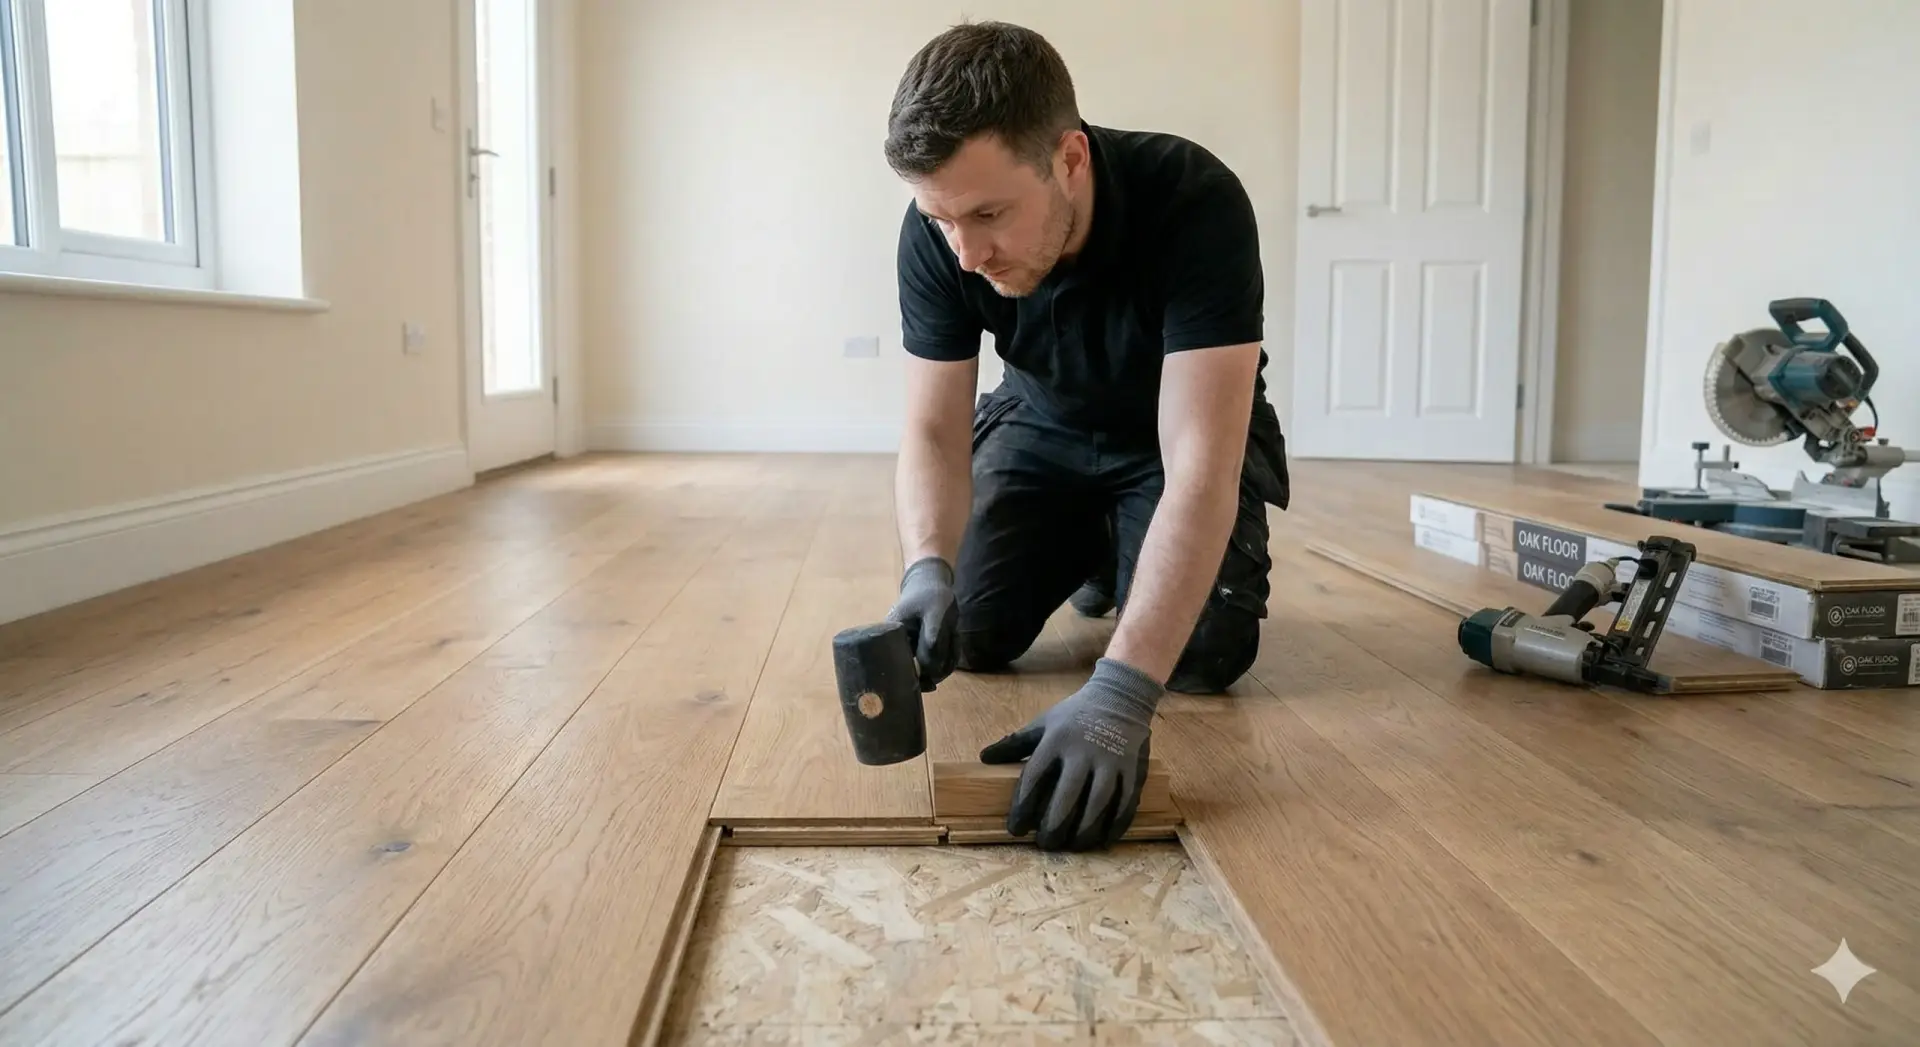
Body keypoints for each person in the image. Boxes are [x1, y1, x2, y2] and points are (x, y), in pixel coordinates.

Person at [880, 21, 1290, 851]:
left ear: (1069, 158)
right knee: (972, 636)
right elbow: (932, 425)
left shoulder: (1195, 201)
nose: (966, 252)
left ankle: (1119, 553)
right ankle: (1107, 553)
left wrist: (1124, 694)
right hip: (1042, 423)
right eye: (943, 219)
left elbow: (1203, 468)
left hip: (1166, 439)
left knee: (1203, 657)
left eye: (989, 214)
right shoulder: (940, 234)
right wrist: (927, 564)